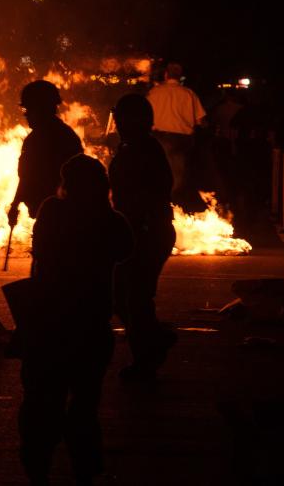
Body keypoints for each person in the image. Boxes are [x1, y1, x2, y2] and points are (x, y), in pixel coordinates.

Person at [17, 155, 133, 485]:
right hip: (90, 324)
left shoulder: (52, 211)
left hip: (48, 323)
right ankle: (85, 467)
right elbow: (126, 250)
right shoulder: (110, 221)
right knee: (84, 402)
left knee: (42, 398)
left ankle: (37, 465)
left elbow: (39, 254)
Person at [109, 93, 177, 380]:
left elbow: (153, 193)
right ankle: (156, 339)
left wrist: (142, 227)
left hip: (147, 232)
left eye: (123, 118)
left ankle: (146, 360)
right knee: (122, 297)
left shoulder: (144, 151)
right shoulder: (132, 148)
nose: (119, 124)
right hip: (135, 231)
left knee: (135, 298)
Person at [5, 80, 83, 228]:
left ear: (40, 109)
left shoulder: (45, 140)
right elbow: (26, 177)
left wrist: (16, 205)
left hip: (59, 220)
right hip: (54, 216)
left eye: (28, 109)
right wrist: (15, 204)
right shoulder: (64, 136)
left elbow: (28, 178)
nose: (26, 115)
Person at [146, 62, 205, 208]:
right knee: (179, 175)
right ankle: (175, 204)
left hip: (159, 138)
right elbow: (200, 119)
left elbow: (145, 116)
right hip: (182, 140)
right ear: (180, 76)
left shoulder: (154, 92)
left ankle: (162, 203)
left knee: (158, 172)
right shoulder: (189, 94)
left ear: (166, 75)